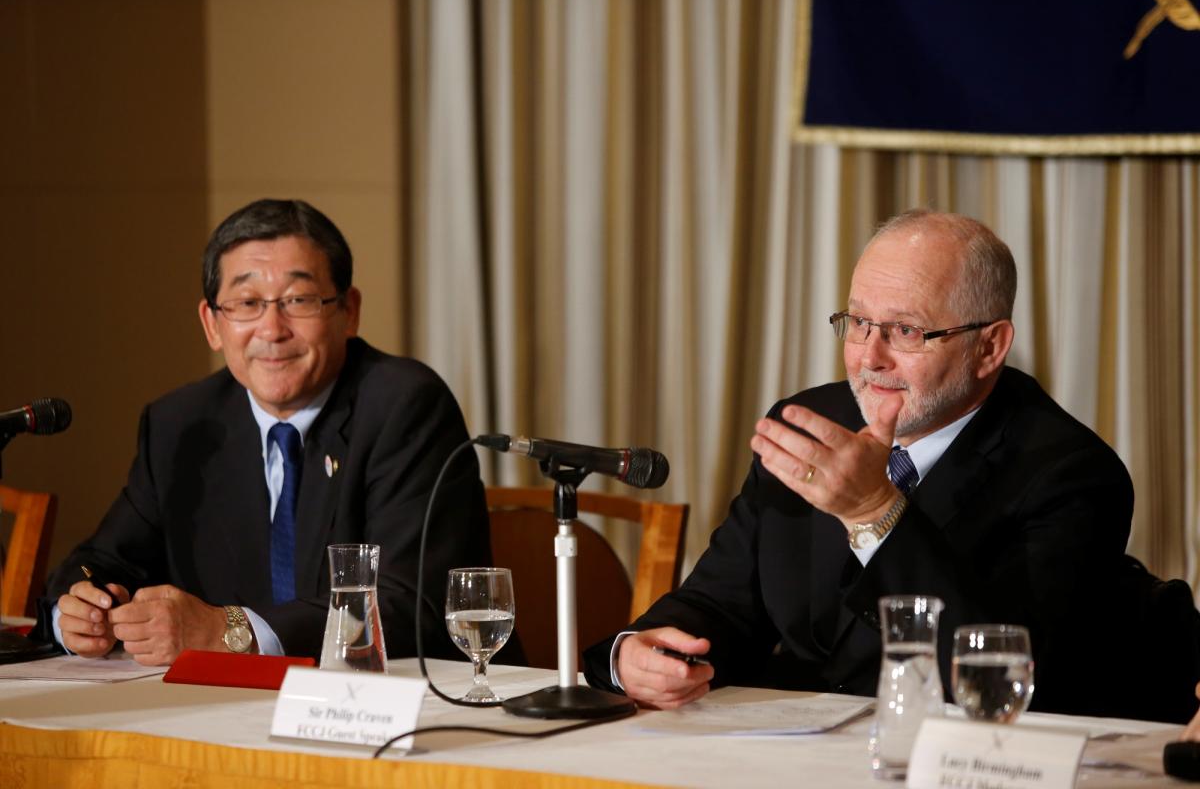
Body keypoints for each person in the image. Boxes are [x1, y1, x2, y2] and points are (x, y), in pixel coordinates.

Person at [584, 209, 1149, 719]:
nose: (869, 358)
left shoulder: (1070, 473)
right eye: (857, 323)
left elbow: (1000, 677)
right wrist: (635, 654)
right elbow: (723, 602)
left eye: (906, 330)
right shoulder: (810, 422)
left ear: (990, 347)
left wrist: (873, 508)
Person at [36, 198, 490, 665]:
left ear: (348, 312)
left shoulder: (404, 406)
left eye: (298, 301)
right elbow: (103, 561)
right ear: (212, 324)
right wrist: (79, 613)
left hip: (401, 702)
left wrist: (230, 631)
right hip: (226, 708)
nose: (272, 330)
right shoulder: (182, 423)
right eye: (247, 304)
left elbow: (411, 603)